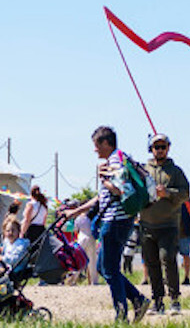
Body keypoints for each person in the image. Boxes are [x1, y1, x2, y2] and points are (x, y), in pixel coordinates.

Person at [58, 126, 150, 321]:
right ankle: (137, 299)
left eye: (97, 145)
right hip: (117, 220)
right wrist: (74, 212)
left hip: (115, 221)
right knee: (102, 266)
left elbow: (118, 190)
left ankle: (122, 314)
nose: (95, 150)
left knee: (109, 269)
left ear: (106, 143)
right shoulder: (118, 159)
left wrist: (104, 178)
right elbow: (101, 197)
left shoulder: (115, 161)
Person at [137, 133, 190, 316]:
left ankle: (175, 300)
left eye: (163, 146)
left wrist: (167, 193)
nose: (159, 150)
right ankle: (157, 301)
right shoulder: (143, 170)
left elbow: (185, 194)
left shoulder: (175, 171)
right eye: (156, 147)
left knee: (168, 259)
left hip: (168, 225)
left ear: (168, 148)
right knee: (152, 264)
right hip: (146, 225)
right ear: (150, 149)